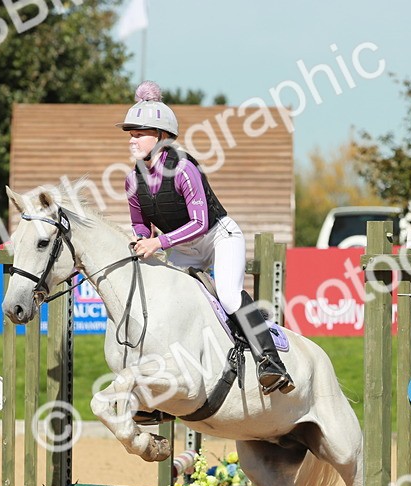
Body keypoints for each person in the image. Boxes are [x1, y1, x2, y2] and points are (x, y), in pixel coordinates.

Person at [120, 81, 294, 395]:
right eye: (130, 135)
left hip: (218, 236)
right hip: (182, 248)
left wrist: (157, 243)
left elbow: (200, 223)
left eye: (140, 134)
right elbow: (141, 224)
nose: (133, 141)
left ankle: (271, 362)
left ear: (162, 137)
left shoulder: (183, 169)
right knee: (172, 304)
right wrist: (141, 239)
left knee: (228, 295)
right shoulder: (132, 180)